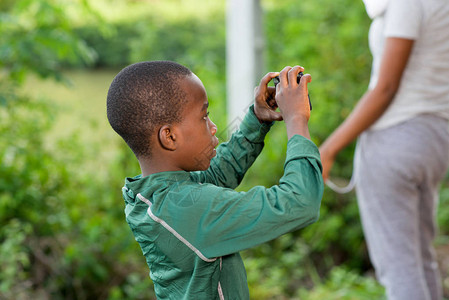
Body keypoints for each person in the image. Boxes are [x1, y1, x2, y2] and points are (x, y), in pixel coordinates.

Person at [106, 61, 323, 299]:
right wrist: (297, 120)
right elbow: (299, 203)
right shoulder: (185, 208)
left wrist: (258, 119)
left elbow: (217, 175)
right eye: (204, 117)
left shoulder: (158, 192)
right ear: (169, 136)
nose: (213, 127)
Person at [319, 0, 449, 299]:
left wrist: (329, 148)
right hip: (436, 137)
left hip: (395, 140)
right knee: (422, 260)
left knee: (400, 270)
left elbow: (386, 88)